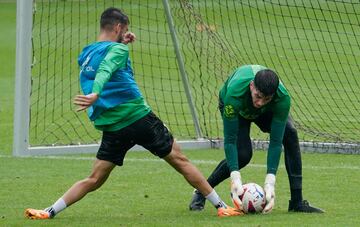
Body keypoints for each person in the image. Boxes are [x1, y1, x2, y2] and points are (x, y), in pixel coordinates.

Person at [24, 7, 242, 219]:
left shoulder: (87, 53)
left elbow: (104, 62)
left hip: (113, 127)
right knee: (180, 159)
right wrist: (96, 93)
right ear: (119, 27)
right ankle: (221, 206)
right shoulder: (118, 51)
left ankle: (49, 211)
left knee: (94, 179)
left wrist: (120, 43)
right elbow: (106, 69)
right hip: (138, 119)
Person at [189, 65, 324, 213]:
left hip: (264, 113)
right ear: (252, 86)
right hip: (238, 109)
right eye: (258, 96)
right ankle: (202, 192)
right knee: (243, 155)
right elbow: (230, 140)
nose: (260, 102)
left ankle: (297, 202)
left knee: (290, 133)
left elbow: (276, 142)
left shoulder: (282, 99)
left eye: (266, 99)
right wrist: (235, 177)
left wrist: (270, 181)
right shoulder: (234, 94)